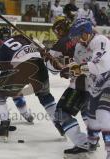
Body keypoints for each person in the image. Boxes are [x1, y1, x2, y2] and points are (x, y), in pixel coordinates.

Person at [48, 17, 94, 156]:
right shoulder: (85, 42)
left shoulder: (63, 42)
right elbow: (77, 65)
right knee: (87, 112)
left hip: (83, 86)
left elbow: (53, 69)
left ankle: (83, 143)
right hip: (89, 85)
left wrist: (48, 58)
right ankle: (92, 141)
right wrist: (67, 69)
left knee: (61, 113)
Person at [66, 18, 110, 159]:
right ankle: (91, 143)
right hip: (95, 85)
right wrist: (70, 69)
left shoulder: (100, 40)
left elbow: (98, 66)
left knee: (103, 114)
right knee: (92, 118)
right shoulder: (81, 46)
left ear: (86, 32)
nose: (77, 39)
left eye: (79, 35)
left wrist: (80, 68)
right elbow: (77, 66)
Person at [0, 20, 34, 124]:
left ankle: (24, 113)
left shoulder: (2, 40)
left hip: (6, 70)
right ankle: (3, 118)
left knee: (14, 92)